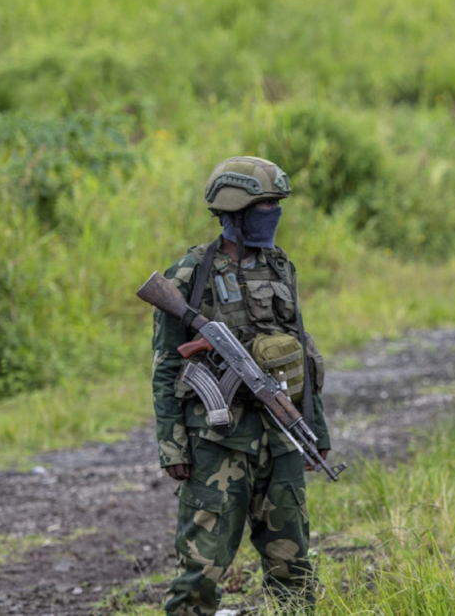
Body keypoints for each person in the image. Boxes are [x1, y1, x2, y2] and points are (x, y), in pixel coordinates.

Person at [151, 156, 332, 614]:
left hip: (283, 440)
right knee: (200, 573)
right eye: (265, 203)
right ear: (235, 210)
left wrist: (316, 430)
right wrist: (173, 447)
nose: (274, 211)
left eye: (277, 203)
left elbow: (301, 352)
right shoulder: (191, 273)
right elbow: (167, 365)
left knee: (293, 569)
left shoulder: (280, 266)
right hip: (218, 444)